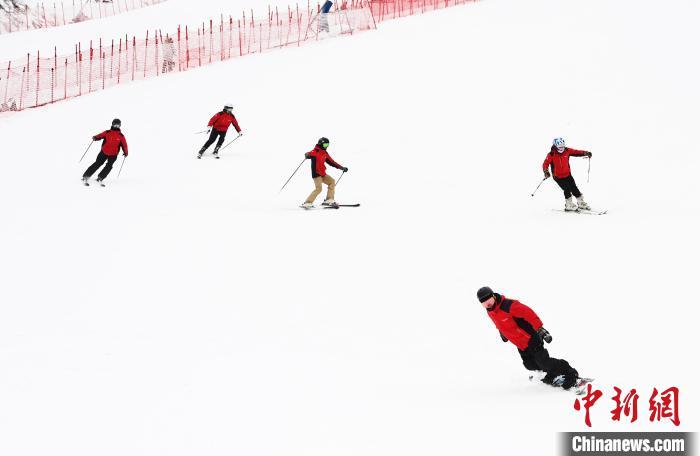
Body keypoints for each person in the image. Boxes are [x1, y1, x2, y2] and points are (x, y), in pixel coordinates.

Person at [477, 286, 580, 390]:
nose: (487, 303)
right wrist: (502, 332)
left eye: (488, 300)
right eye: (483, 302)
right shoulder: (490, 310)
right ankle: (552, 373)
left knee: (544, 362)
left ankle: (570, 372)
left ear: (493, 296)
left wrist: (540, 329)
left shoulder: (509, 305)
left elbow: (528, 313)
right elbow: (499, 322)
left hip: (531, 338)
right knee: (529, 364)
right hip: (520, 343)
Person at [542, 138, 592, 211]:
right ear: (555, 146)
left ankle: (581, 202)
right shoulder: (551, 154)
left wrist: (585, 153)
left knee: (574, 187)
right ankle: (569, 204)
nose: (562, 148)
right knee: (566, 189)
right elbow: (545, 163)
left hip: (567, 174)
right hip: (558, 176)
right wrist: (546, 171)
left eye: (563, 146)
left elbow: (576, 152)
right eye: (560, 147)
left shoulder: (567, 151)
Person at [301, 137, 347, 209]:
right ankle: (307, 203)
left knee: (332, 181)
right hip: (316, 174)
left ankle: (329, 200)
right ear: (321, 144)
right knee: (319, 189)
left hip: (323, 174)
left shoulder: (325, 153)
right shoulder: (315, 151)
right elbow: (308, 153)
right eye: (325, 145)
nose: (327, 146)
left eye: (327, 145)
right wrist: (307, 155)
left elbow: (332, 162)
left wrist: (342, 168)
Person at [82, 118, 128, 186]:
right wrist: (95, 137)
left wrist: (126, 152)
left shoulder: (121, 136)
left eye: (118, 126)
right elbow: (100, 135)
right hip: (104, 152)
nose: (116, 127)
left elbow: (124, 145)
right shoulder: (107, 132)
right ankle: (86, 175)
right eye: (115, 125)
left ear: (120, 126)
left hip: (113, 154)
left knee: (109, 166)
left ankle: (100, 177)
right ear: (112, 124)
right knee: (98, 163)